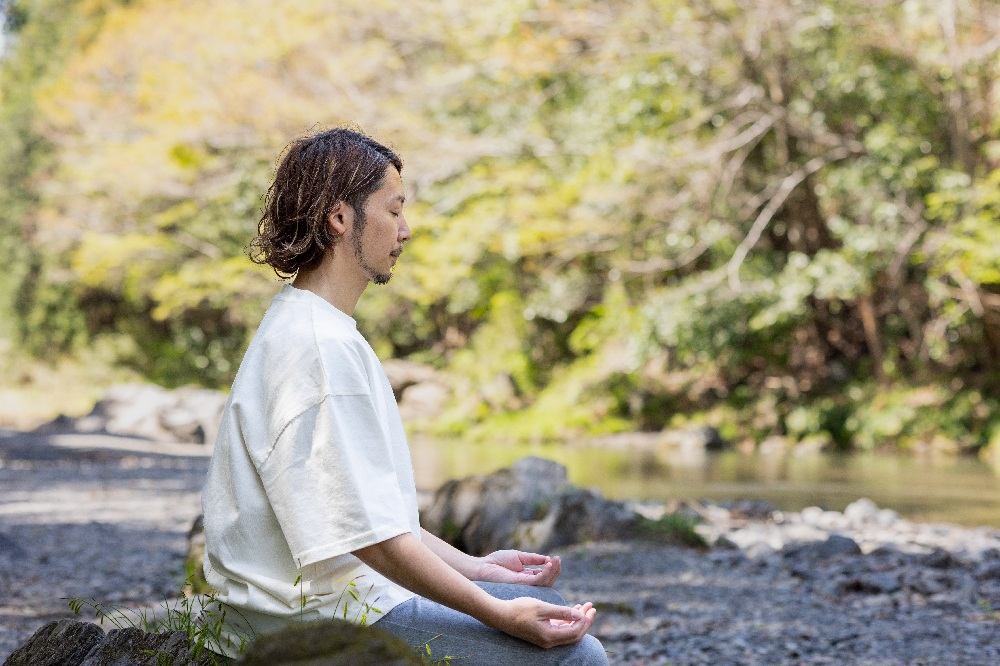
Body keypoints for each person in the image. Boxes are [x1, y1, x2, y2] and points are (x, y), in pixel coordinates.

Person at [200, 127, 609, 665]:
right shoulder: (320, 347)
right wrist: (497, 612)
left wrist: (481, 569)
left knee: (543, 605)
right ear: (341, 218)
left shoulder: (311, 323)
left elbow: (376, 523)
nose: (406, 230)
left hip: (328, 601)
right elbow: (373, 544)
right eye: (394, 211)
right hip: (309, 620)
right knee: (578, 657)